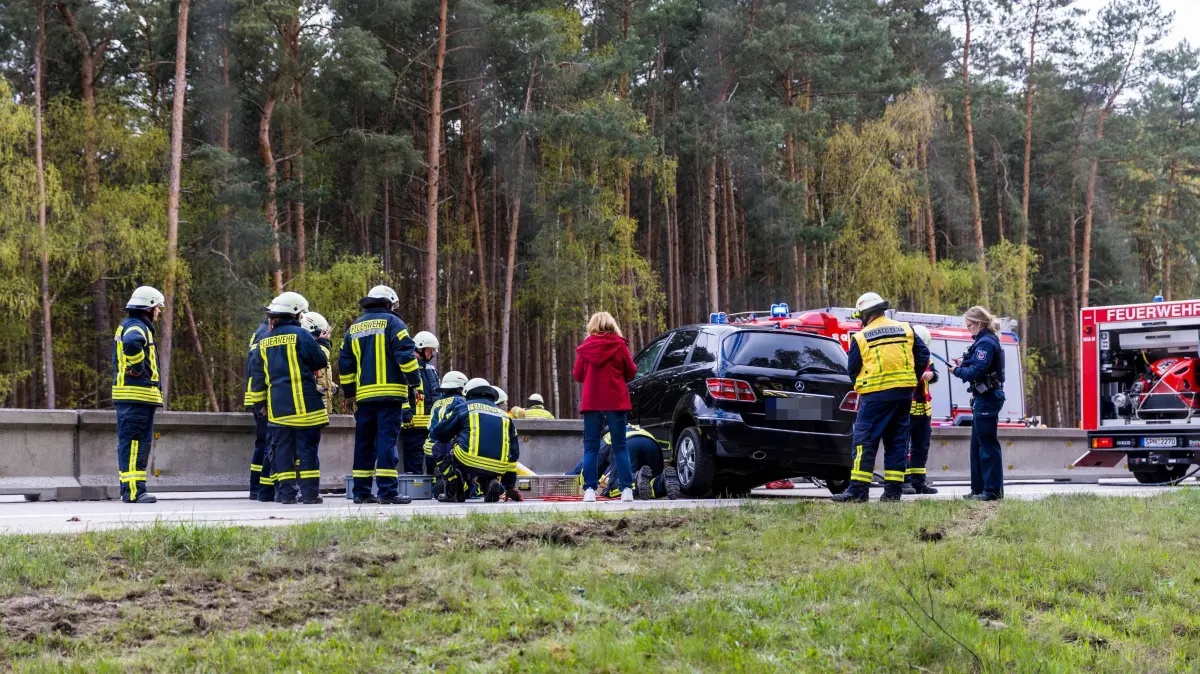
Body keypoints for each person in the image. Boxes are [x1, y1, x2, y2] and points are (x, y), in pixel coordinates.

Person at [832, 292, 929, 503]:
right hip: (903, 395)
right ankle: (893, 492)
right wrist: (911, 377)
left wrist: (866, 383)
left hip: (875, 396)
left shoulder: (861, 337)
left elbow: (852, 369)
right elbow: (923, 355)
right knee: (897, 442)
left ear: (865, 314)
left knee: (864, 442)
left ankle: (858, 491)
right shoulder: (906, 329)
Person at [338, 285, 420, 505]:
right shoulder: (394, 323)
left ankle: (361, 492)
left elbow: (345, 366)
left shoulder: (353, 328)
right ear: (388, 303)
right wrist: (415, 383)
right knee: (386, 443)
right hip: (390, 396)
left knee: (364, 444)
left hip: (364, 399)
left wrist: (350, 395)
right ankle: (387, 492)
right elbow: (406, 356)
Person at [246, 292, 329, 505]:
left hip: (278, 410)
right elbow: (319, 361)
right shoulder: (302, 335)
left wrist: (260, 404)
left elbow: (257, 378)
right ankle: (310, 495)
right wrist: (323, 344)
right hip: (306, 408)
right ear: (296, 313)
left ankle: (286, 494)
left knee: (282, 452)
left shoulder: (264, 340)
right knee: (307, 450)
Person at [573, 311, 637, 503]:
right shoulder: (620, 346)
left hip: (592, 402)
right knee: (620, 447)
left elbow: (577, 375)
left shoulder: (585, 348)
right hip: (616, 402)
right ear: (612, 325)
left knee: (591, 448)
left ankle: (589, 491)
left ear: (593, 326)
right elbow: (631, 371)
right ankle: (626, 490)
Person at [112, 286, 166, 504]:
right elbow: (132, 343)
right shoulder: (137, 326)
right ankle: (135, 491)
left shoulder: (131, 324)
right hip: (137, 396)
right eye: (157, 307)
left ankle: (129, 489)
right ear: (149, 307)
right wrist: (137, 368)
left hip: (133, 397)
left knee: (131, 444)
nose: (159, 312)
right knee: (135, 444)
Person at [430, 378, 522, 503]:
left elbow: (439, 432)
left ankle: (454, 488)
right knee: (487, 462)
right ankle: (490, 482)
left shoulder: (463, 408)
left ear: (468, 393)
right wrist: (509, 486)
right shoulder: (505, 415)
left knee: (438, 447)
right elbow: (514, 452)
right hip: (498, 466)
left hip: (468, 459)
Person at [950, 306, 1007, 501]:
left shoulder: (986, 342)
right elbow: (974, 365)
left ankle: (992, 491)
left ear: (979, 323)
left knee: (987, 445)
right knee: (977, 445)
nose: (968, 329)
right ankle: (978, 489)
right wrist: (962, 364)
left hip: (988, 397)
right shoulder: (981, 342)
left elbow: (978, 371)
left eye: (969, 326)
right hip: (982, 398)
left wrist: (957, 372)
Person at [590, 424, 680, 500]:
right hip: (652, 445)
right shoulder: (633, 427)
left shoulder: (607, 437)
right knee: (652, 480)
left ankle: (636, 478)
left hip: (628, 445)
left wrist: (588, 483)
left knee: (613, 486)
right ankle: (663, 480)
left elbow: (595, 465)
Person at [243, 309, 275, 501]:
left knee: (262, 443)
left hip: (256, 396)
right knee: (266, 443)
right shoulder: (267, 334)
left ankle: (256, 488)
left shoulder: (261, 331)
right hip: (262, 398)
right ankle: (260, 487)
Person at [904, 324, 939, 495]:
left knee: (921, 448)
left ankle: (919, 483)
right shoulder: (904, 358)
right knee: (902, 447)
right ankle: (904, 482)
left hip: (924, 413)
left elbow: (935, 374)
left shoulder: (927, 359)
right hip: (907, 411)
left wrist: (932, 375)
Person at [401, 331, 441, 474]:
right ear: (420, 348)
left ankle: (434, 489)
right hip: (413, 425)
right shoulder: (409, 367)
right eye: (430, 350)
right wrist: (405, 411)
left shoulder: (432, 370)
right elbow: (402, 391)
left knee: (433, 458)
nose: (432, 354)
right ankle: (414, 490)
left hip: (431, 425)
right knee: (414, 461)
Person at [423, 370, 468, 496]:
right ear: (461, 387)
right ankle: (449, 484)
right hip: (446, 446)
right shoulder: (460, 402)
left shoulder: (437, 403)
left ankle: (436, 485)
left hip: (429, 446)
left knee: (434, 473)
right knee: (455, 471)